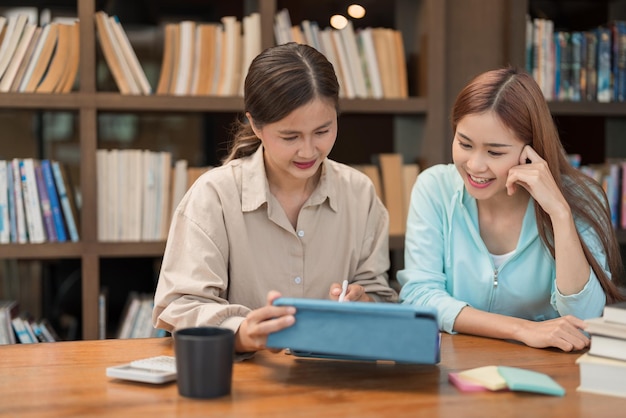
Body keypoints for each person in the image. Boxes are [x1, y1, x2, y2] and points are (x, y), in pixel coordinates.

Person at [153, 42, 397, 357]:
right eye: (290, 137)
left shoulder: (359, 192)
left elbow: (378, 294)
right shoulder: (214, 195)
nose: (309, 151)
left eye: (322, 131)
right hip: (246, 386)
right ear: (256, 124)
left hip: (338, 380)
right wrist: (242, 332)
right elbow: (181, 306)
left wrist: (365, 304)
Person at [398, 67, 625, 352]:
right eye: (464, 144)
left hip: (549, 371)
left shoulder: (582, 198)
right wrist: (523, 329)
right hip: (455, 368)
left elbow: (585, 319)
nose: (475, 166)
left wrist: (559, 213)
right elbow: (420, 296)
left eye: (495, 152)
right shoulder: (434, 188)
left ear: (531, 150)